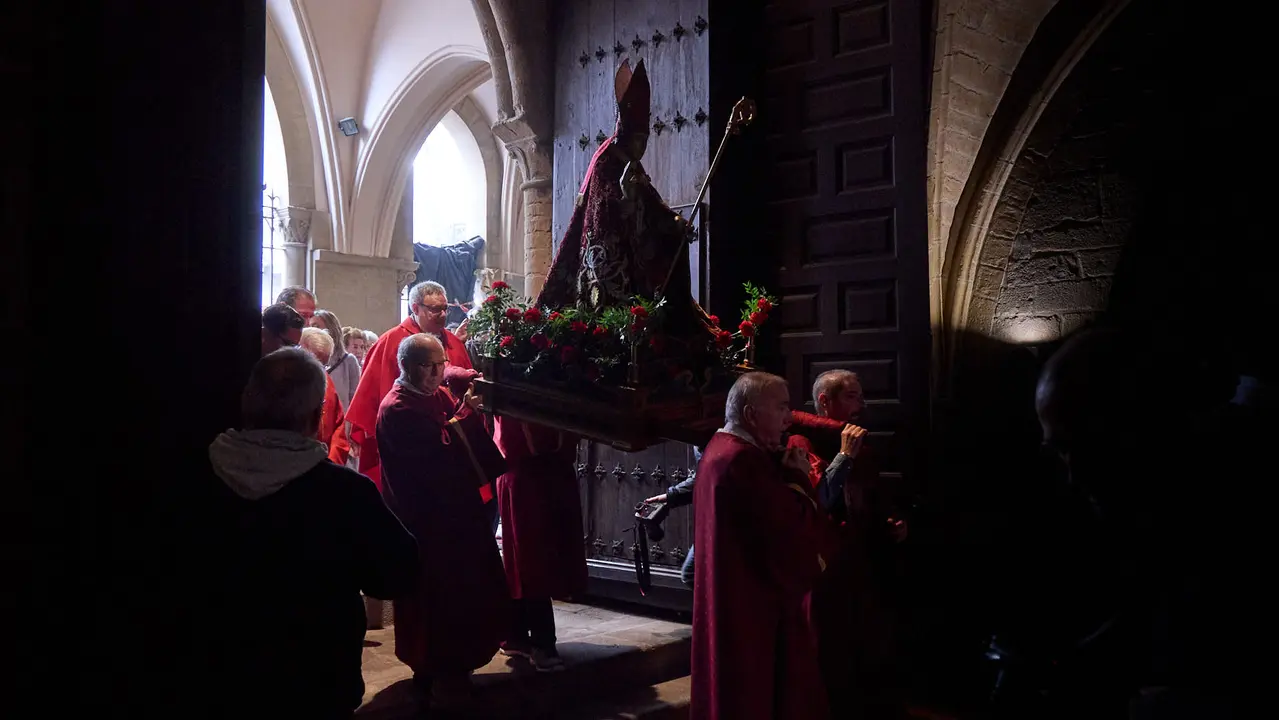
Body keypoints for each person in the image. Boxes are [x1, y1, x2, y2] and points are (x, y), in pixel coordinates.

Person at [206, 348, 417, 719]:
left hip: (221, 672)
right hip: (317, 676)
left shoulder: (198, 478)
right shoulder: (345, 492)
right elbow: (398, 574)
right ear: (316, 416)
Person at [691, 372, 839, 720]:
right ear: (751, 414)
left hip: (737, 601)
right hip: (754, 610)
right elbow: (788, 533)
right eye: (782, 407)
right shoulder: (743, 461)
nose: (789, 418)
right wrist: (799, 477)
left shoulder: (722, 448)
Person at [376, 333, 510, 707]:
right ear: (408, 366)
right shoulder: (397, 407)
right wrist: (465, 416)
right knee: (434, 601)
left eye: (440, 365)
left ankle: (458, 667)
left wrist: (462, 414)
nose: (438, 374)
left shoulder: (434, 395)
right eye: (429, 366)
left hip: (458, 517)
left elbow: (451, 428)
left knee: (467, 594)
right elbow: (437, 452)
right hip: (426, 523)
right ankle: (436, 673)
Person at [346, 281, 484, 501]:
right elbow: (372, 393)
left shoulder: (454, 343)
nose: (442, 314)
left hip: (452, 448)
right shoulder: (392, 342)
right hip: (410, 441)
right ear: (415, 308)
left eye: (445, 308)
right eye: (434, 309)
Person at [493, 418, 587, 672]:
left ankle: (516, 635)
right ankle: (541, 642)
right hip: (526, 475)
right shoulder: (510, 385)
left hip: (550, 473)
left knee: (530, 557)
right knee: (531, 559)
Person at [299, 327, 350, 465]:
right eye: (315, 363)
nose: (319, 370)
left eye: (324, 365)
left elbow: (339, 429)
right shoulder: (285, 382)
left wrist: (331, 463)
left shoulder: (326, 381)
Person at [311, 309, 361, 412]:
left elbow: (355, 401)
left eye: (316, 326)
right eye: (309, 326)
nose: (311, 331)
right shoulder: (304, 361)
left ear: (331, 329)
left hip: (340, 424)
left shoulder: (348, 361)